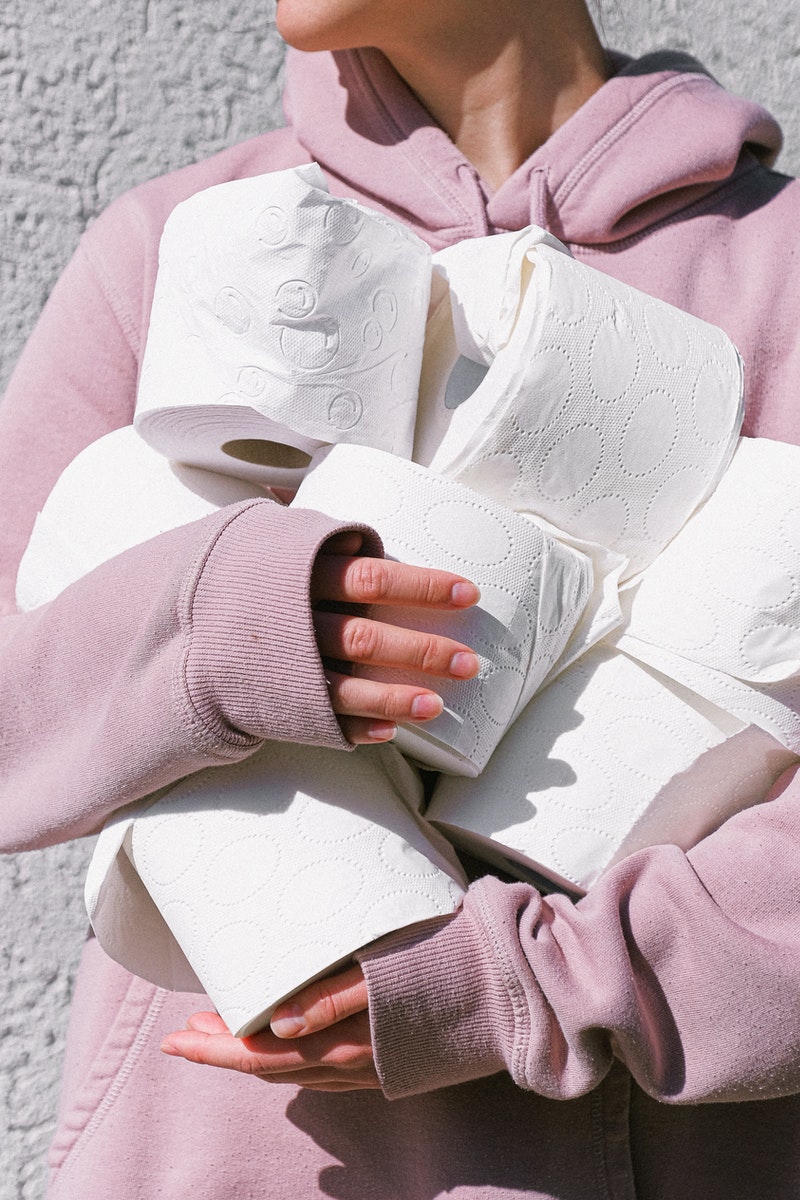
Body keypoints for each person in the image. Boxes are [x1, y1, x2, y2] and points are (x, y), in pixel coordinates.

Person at [3, 0, 800, 1196]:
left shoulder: (776, 271)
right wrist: (230, 634)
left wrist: (524, 987)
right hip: (221, 1165)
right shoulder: (187, 245)